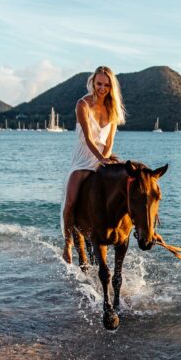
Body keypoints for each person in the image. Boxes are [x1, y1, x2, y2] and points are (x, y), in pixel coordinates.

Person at [62, 66, 126, 263]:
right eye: (99, 84)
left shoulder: (113, 109)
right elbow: (89, 139)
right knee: (71, 201)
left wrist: (105, 160)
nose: (102, 88)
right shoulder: (83, 104)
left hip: (102, 158)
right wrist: (100, 159)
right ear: (93, 83)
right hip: (83, 160)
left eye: (107, 85)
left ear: (111, 86)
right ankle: (68, 243)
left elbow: (109, 142)